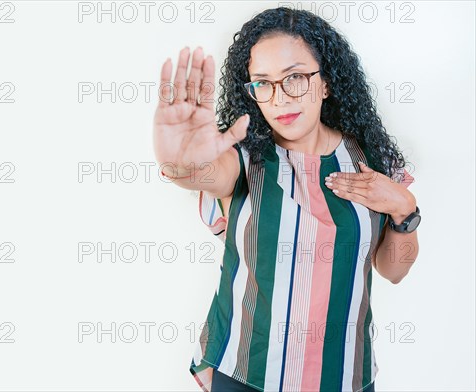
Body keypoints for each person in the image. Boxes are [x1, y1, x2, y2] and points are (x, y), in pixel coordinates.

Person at [152, 7, 420, 392]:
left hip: (342, 377)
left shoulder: (372, 161)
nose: (279, 98)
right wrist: (178, 159)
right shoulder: (243, 157)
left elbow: (394, 270)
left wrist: (404, 210)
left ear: (326, 82)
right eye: (263, 83)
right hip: (247, 373)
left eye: (295, 77)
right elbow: (199, 172)